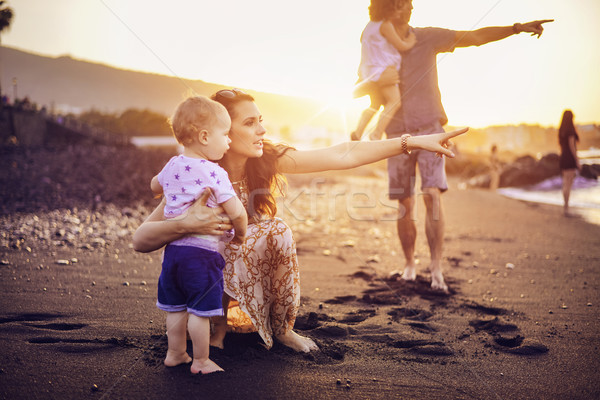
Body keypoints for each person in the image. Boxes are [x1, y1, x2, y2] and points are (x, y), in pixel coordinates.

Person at [133, 88, 468, 353]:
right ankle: (212, 327)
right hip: (198, 285)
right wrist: (187, 224)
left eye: (260, 120)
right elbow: (141, 240)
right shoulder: (195, 176)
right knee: (243, 236)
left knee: (275, 231)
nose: (262, 129)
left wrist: (411, 142)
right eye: (250, 123)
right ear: (221, 133)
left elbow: (343, 153)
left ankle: (282, 329)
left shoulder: (264, 160)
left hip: (235, 285)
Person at [385, 0, 552, 292]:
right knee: (404, 202)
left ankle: (436, 269)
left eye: (411, 3)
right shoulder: (379, 42)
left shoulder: (427, 36)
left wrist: (515, 28)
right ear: (388, 7)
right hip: (396, 132)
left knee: (431, 195)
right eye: (402, 3)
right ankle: (410, 264)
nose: (409, 8)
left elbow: (473, 38)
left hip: (430, 129)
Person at [150, 96, 248, 374]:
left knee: (176, 308)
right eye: (226, 134)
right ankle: (201, 360)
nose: (229, 141)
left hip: (173, 254)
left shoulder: (172, 165)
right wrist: (239, 235)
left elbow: (154, 185)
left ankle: (175, 354)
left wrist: (167, 188)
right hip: (202, 255)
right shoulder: (214, 172)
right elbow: (238, 211)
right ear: (204, 136)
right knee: (199, 311)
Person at [351, 0, 416, 141]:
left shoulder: (368, 27)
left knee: (375, 104)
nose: (399, 11)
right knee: (394, 102)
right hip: (385, 71)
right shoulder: (385, 26)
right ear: (388, 10)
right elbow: (401, 45)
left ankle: (358, 132)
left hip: (370, 72)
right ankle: (377, 133)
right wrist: (411, 40)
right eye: (396, 8)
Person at [558, 109, 581, 216]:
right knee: (568, 184)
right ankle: (566, 209)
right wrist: (577, 160)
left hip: (563, 157)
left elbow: (561, 146)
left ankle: (565, 208)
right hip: (570, 158)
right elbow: (572, 146)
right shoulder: (570, 130)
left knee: (565, 183)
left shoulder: (561, 130)